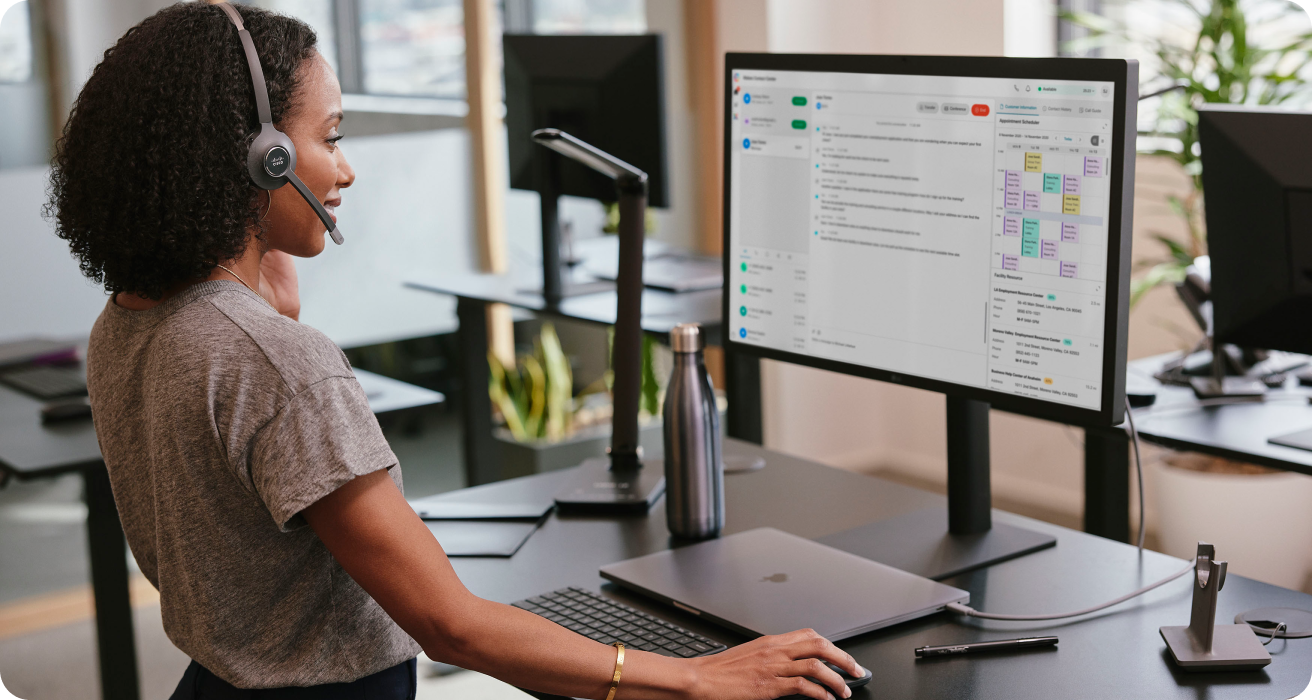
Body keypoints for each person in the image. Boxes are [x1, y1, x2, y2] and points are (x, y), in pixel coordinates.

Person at [48, 2, 866, 699]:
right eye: (330, 138)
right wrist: (699, 678)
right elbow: (452, 627)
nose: (346, 169)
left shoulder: (128, 323)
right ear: (261, 160)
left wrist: (263, 264)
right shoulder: (273, 365)